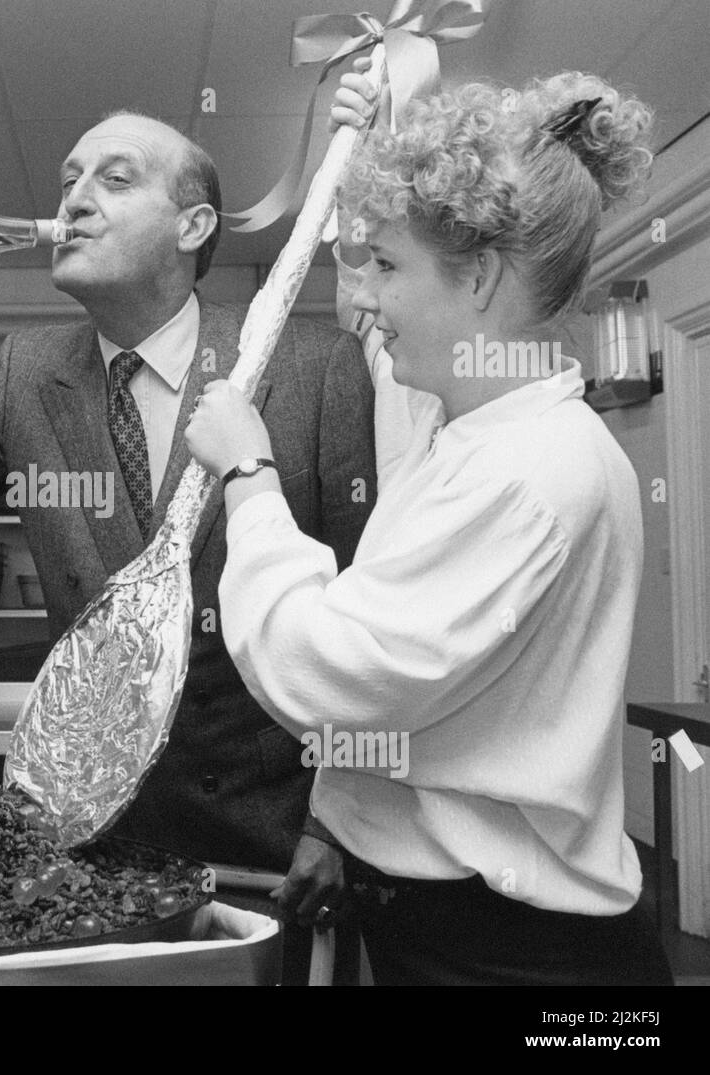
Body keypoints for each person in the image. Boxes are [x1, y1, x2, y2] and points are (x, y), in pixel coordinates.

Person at [0, 111, 377, 980]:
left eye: (114, 181)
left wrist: (338, 819)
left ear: (193, 228)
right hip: (93, 843)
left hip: (272, 845)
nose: (74, 200)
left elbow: (364, 609)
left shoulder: (310, 365)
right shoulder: (27, 370)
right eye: (69, 180)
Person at [185, 71, 672, 985]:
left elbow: (328, 669)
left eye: (390, 268)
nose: (364, 296)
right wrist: (360, 153)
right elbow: (367, 319)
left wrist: (249, 476)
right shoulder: (464, 425)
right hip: (452, 928)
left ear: (480, 277)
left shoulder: (530, 471)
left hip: (521, 961)